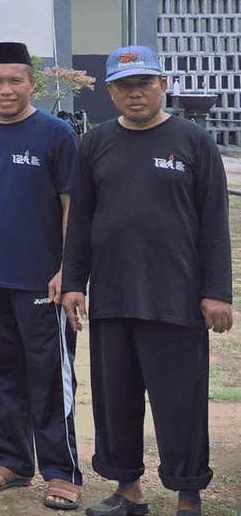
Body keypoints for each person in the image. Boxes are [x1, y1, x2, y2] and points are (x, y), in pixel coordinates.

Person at [61, 45, 232, 516]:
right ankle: (127, 491)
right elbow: (80, 222)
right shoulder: (95, 144)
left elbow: (215, 222)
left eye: (144, 84)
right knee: (116, 401)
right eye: (124, 86)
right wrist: (74, 282)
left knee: (180, 401)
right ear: (111, 92)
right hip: (113, 296)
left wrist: (217, 292)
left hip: (176, 299)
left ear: (163, 86)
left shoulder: (194, 142)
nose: (135, 94)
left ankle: (187, 493)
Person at [0, 42, 82, 510]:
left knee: (48, 376)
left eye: (16, 80)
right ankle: (12, 461)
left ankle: (61, 471)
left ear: (32, 83)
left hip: (42, 282)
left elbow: (72, 205)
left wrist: (68, 268)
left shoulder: (56, 134)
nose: (6, 89)